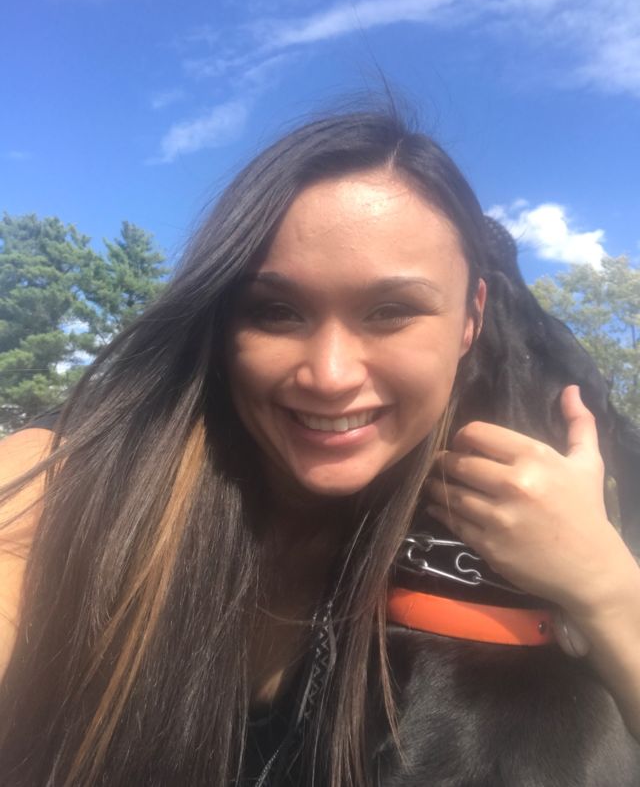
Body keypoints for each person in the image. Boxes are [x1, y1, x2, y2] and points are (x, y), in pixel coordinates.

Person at [0, 110, 638, 786]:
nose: (330, 377)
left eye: (390, 311)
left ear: (470, 318)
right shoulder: (64, 488)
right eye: (277, 312)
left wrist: (604, 582)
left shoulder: (466, 527)